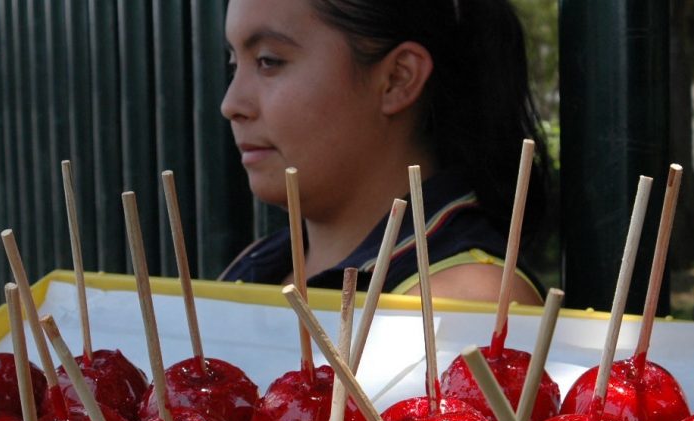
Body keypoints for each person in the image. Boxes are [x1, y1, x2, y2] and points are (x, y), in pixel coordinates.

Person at [218, 0, 549, 305]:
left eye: (268, 61)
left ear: (397, 78)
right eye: (235, 64)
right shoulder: (255, 264)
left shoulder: (466, 298)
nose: (231, 105)